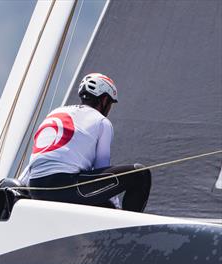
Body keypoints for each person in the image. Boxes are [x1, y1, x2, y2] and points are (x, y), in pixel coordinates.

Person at [20, 73, 151, 212]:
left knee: (104, 206)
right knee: (140, 174)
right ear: (105, 100)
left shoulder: (56, 112)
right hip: (65, 188)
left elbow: (40, 157)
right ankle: (128, 230)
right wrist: (116, 209)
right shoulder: (102, 122)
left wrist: (20, 185)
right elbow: (102, 167)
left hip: (35, 189)